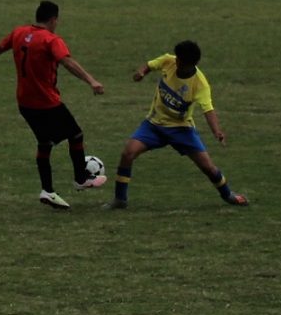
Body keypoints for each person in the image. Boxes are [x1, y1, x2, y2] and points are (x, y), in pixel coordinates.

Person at [0, 0, 106, 210]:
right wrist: (91, 80)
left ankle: (47, 190)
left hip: (25, 103)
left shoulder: (19, 32)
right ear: (53, 20)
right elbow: (68, 62)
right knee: (75, 134)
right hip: (47, 102)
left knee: (45, 143)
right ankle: (81, 178)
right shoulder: (51, 40)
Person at [104, 40, 248, 210]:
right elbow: (150, 65)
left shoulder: (200, 84)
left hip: (181, 129)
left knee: (207, 167)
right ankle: (120, 199)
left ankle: (228, 195)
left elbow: (208, 109)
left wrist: (217, 131)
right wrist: (141, 72)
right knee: (128, 153)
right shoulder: (169, 60)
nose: (176, 62)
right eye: (177, 58)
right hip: (153, 124)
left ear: (192, 64)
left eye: (181, 61)